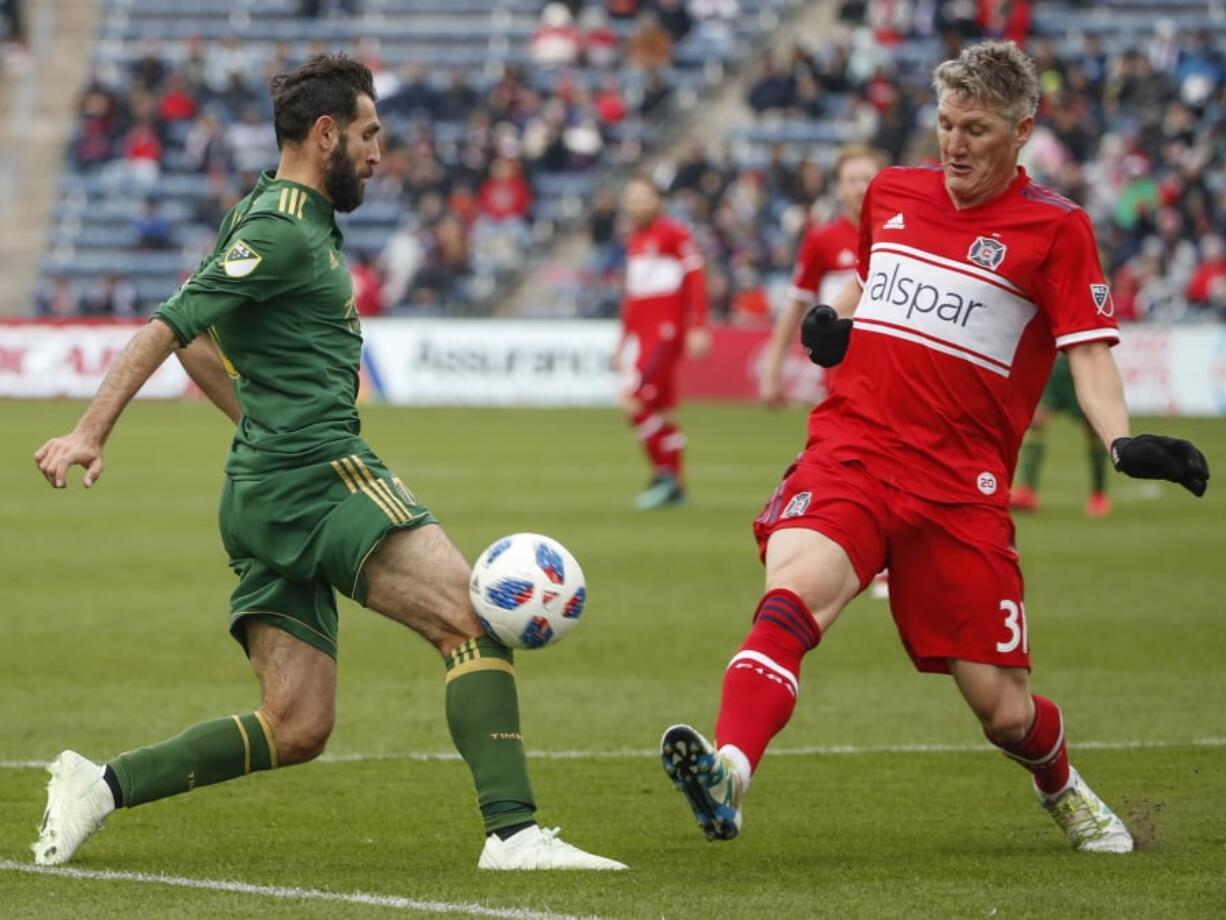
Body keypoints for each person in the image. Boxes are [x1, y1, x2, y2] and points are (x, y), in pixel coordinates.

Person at [32, 54, 624, 873]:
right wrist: (90, 432)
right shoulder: (279, 228)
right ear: (324, 133)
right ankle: (515, 835)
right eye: (369, 133)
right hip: (318, 475)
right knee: (475, 621)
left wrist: (257, 424)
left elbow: (202, 338)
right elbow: (168, 328)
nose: (380, 152)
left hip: (266, 487)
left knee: (297, 725)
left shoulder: (264, 213)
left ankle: (100, 784)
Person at [658, 41, 1208, 855]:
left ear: (1022, 130)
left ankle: (1060, 784)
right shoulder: (891, 193)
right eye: (945, 124)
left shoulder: (1055, 229)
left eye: (975, 129)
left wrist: (1122, 442)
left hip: (959, 486)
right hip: (854, 447)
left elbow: (1088, 352)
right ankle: (730, 770)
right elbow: (877, 281)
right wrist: (834, 325)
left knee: (1003, 708)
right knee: (797, 588)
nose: (953, 144)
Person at [759, 144, 884, 407]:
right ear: (838, 188)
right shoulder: (821, 239)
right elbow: (796, 305)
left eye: (867, 179)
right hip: (842, 366)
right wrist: (773, 369)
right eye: (851, 181)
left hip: (889, 364)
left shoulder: (899, 235)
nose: (861, 188)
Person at [612, 175, 710, 509]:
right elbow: (633, 299)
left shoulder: (674, 234)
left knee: (632, 402)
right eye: (632, 198)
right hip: (644, 337)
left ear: (657, 200)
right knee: (660, 411)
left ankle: (664, 476)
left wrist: (698, 325)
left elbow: (696, 278)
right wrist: (622, 343)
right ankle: (673, 483)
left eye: (644, 197)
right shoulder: (636, 241)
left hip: (665, 334)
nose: (638, 204)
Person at [1010, 353, 1111, 516]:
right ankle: (1028, 491)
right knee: (1036, 422)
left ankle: (1098, 494)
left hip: (1082, 366)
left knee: (1093, 428)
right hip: (1055, 367)